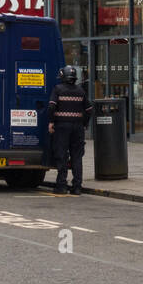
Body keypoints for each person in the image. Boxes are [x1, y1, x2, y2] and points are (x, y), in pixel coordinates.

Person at [46, 65, 92, 194]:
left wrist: (51, 122)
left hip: (61, 127)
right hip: (78, 128)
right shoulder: (80, 91)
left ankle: (61, 186)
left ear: (62, 77)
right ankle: (77, 187)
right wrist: (84, 124)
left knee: (62, 156)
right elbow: (89, 110)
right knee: (77, 157)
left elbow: (51, 107)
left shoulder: (58, 89)